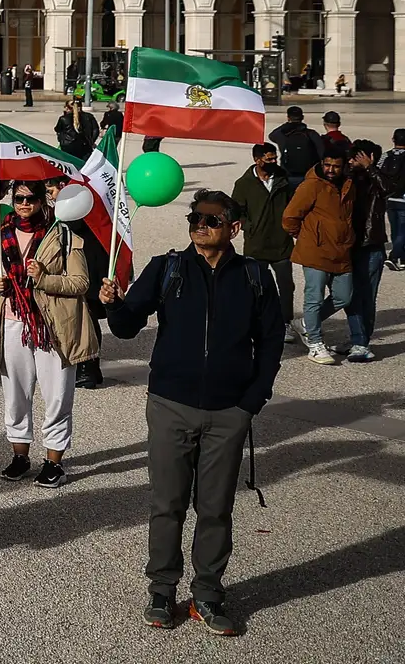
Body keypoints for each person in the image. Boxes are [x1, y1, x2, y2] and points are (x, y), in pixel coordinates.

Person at [103, 189, 283, 635]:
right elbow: (127, 328)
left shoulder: (256, 276)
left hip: (229, 412)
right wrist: (112, 304)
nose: (200, 225)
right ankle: (162, 589)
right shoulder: (168, 267)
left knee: (216, 507)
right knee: (167, 504)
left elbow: (272, 342)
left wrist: (250, 402)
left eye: (212, 219)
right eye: (195, 218)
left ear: (234, 228)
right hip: (170, 405)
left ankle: (207, 592)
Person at [0, 183, 96, 488]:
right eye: (18, 198)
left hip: (53, 326)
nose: (24, 203)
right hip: (12, 322)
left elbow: (80, 283)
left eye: (30, 198)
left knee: (57, 396)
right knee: (15, 395)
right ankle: (20, 456)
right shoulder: (1, 234)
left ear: (42, 200)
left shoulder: (63, 236)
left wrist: (45, 279)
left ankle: (54, 462)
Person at [282, 144, 355, 364]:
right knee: (313, 299)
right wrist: (308, 237)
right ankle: (314, 343)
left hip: (341, 251)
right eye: (327, 165)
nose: (331, 169)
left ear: (343, 166)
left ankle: (305, 324)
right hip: (315, 251)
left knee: (344, 296)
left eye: (336, 166)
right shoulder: (311, 186)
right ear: (322, 163)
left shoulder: (349, 185)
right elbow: (289, 218)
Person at [232, 143, 297, 342]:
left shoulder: (283, 179)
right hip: (256, 245)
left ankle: (285, 323)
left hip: (282, 244)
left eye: (274, 158)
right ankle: (255, 322)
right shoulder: (243, 184)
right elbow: (236, 211)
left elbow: (292, 203)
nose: (273, 162)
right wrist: (248, 226)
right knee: (254, 286)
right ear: (257, 160)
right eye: (269, 159)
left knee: (286, 286)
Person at [345, 140, 388, 362]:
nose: (352, 161)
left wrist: (371, 168)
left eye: (357, 157)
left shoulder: (376, 180)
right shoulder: (347, 178)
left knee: (367, 297)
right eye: (351, 157)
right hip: (349, 245)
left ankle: (361, 342)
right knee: (349, 295)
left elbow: (389, 188)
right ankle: (358, 340)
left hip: (371, 246)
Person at [269, 106, 323, 182]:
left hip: (288, 174)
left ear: (288, 117)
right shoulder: (311, 134)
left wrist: (287, 125)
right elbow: (321, 152)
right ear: (302, 117)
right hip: (309, 175)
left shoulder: (282, 135)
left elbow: (271, 136)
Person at [383, 128, 405, 272]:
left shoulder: (385, 155)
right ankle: (393, 256)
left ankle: (402, 258)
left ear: (393, 140)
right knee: (403, 232)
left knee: (396, 230)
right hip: (403, 199)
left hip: (389, 198)